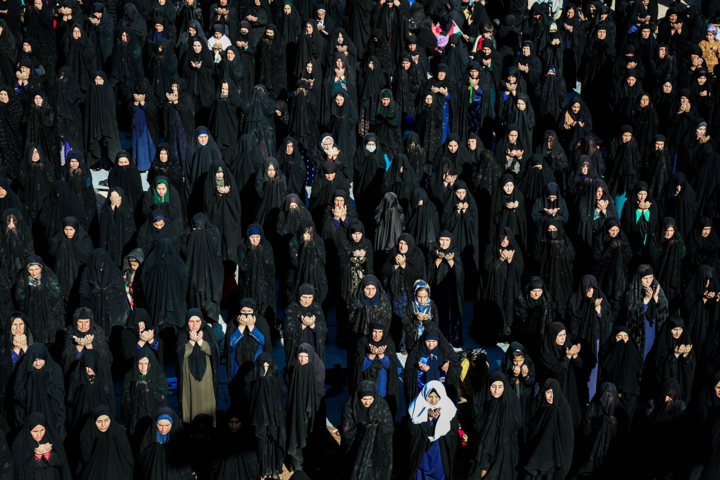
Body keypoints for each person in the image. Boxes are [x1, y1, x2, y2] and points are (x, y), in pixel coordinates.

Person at [467, 371, 522, 480]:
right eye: (493, 386)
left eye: (500, 386)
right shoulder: (479, 400)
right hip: (484, 448)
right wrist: (491, 409)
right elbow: (476, 425)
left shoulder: (511, 400)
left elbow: (517, 424)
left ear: (505, 386)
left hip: (505, 447)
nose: (497, 390)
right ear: (488, 386)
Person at [518, 379, 575, 480]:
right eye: (548, 392)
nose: (551, 396)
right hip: (537, 454)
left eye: (553, 392)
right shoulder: (537, 405)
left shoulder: (563, 407)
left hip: (555, 455)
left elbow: (568, 435)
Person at [339, 381, 393, 480]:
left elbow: (389, 428)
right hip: (357, 451)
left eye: (371, 399)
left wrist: (376, 429)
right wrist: (363, 430)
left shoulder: (381, 405)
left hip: (376, 451)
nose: (367, 402)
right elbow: (347, 434)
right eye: (364, 399)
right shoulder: (349, 408)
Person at [245, 352, 287, 479]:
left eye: (268, 366)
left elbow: (283, 391)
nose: (266, 369)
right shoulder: (252, 377)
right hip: (259, 419)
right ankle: (261, 469)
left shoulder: (276, 376)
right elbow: (247, 393)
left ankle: (274, 471)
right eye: (263, 366)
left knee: (274, 444)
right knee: (260, 443)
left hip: (274, 419)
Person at [406, 380, 459, 480]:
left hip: (439, 450)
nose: (433, 400)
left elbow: (453, 428)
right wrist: (427, 418)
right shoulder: (416, 407)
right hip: (423, 451)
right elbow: (411, 430)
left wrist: (441, 419)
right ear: (425, 395)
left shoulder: (449, 408)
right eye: (430, 396)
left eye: (436, 396)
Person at [285, 343, 325, 472]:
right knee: (296, 432)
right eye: (300, 356)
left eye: (305, 356)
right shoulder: (293, 367)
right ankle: (297, 462)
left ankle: (313, 463)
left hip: (313, 407)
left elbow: (318, 389)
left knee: (312, 435)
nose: (302, 360)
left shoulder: (318, 366)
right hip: (297, 407)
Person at [176, 309, 220, 425]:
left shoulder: (208, 332)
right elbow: (180, 354)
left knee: (206, 406)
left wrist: (201, 342)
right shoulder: (182, 333)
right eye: (191, 321)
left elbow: (214, 353)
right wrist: (191, 342)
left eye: (197, 321)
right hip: (188, 379)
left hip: (206, 380)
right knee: (190, 405)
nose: (194, 325)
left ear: (202, 321)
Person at [13, 343, 66, 439]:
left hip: (52, 417)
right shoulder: (23, 369)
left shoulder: (54, 369)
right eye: (35, 360)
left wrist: (45, 382)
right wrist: (31, 382)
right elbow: (18, 395)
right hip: (28, 415)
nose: (38, 363)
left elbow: (59, 394)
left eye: (41, 359)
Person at [225, 298, 272, 402]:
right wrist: (241, 327)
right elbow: (231, 343)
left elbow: (264, 341)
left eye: (249, 312)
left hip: (255, 362)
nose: (246, 315)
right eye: (243, 312)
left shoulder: (261, 322)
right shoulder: (233, 322)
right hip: (237, 364)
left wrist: (252, 328)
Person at [13, 256, 65, 345]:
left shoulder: (49, 275)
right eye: (31, 270)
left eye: (36, 269)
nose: (34, 273)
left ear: (41, 268)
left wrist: (42, 295)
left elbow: (56, 291)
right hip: (31, 312)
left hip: (48, 312)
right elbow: (19, 296)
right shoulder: (23, 278)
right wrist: (31, 293)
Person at [120, 347, 169, 441]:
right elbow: (125, 400)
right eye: (140, 364)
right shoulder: (130, 376)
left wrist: (148, 390)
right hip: (135, 417)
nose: (143, 367)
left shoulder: (159, 375)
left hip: (153, 416)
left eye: (146, 364)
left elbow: (162, 396)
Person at [598, 326, 643, 424]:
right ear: (614, 337)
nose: (623, 340)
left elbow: (638, 365)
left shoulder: (632, 350)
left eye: (625, 337)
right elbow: (605, 364)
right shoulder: (606, 349)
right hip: (611, 392)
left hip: (629, 393)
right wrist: (616, 351)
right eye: (619, 337)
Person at [76, 405, 134, 480]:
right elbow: (86, 460)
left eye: (106, 420)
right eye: (99, 421)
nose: (103, 425)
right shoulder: (86, 435)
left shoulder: (118, 432)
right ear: (93, 421)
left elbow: (127, 456)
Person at [135, 408, 194, 480]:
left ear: (172, 424)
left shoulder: (181, 439)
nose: (163, 429)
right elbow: (142, 460)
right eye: (160, 425)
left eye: (167, 425)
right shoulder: (148, 438)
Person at [12, 413, 71, 480]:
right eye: (35, 431)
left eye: (42, 430)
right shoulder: (20, 444)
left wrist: (49, 455)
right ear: (29, 430)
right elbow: (20, 471)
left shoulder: (53, 439)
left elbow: (63, 465)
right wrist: (37, 458)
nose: (39, 435)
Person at [66, 349, 114, 431]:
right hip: (81, 415)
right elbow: (70, 399)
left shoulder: (103, 375)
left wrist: (95, 390)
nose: (89, 370)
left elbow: (109, 396)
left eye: (92, 367)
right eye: (87, 366)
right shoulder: (75, 376)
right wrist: (84, 392)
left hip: (100, 417)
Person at [283, 284, 327, 365]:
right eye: (304, 297)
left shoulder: (316, 308)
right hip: (297, 349)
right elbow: (286, 331)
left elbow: (324, 329)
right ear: (299, 296)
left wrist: (313, 325)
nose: (307, 301)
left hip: (313, 347)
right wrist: (302, 325)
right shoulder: (292, 309)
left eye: (310, 298)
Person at [60, 307, 112, 375]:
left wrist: (90, 346)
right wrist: (79, 347)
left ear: (90, 321)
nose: (83, 326)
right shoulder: (70, 332)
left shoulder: (97, 331)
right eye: (80, 322)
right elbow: (65, 357)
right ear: (75, 322)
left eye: (86, 322)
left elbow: (106, 356)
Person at [211, 408, 260, 480]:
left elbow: (252, 465)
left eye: (237, 422)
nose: (233, 426)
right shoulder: (221, 437)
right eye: (231, 422)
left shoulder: (247, 438)